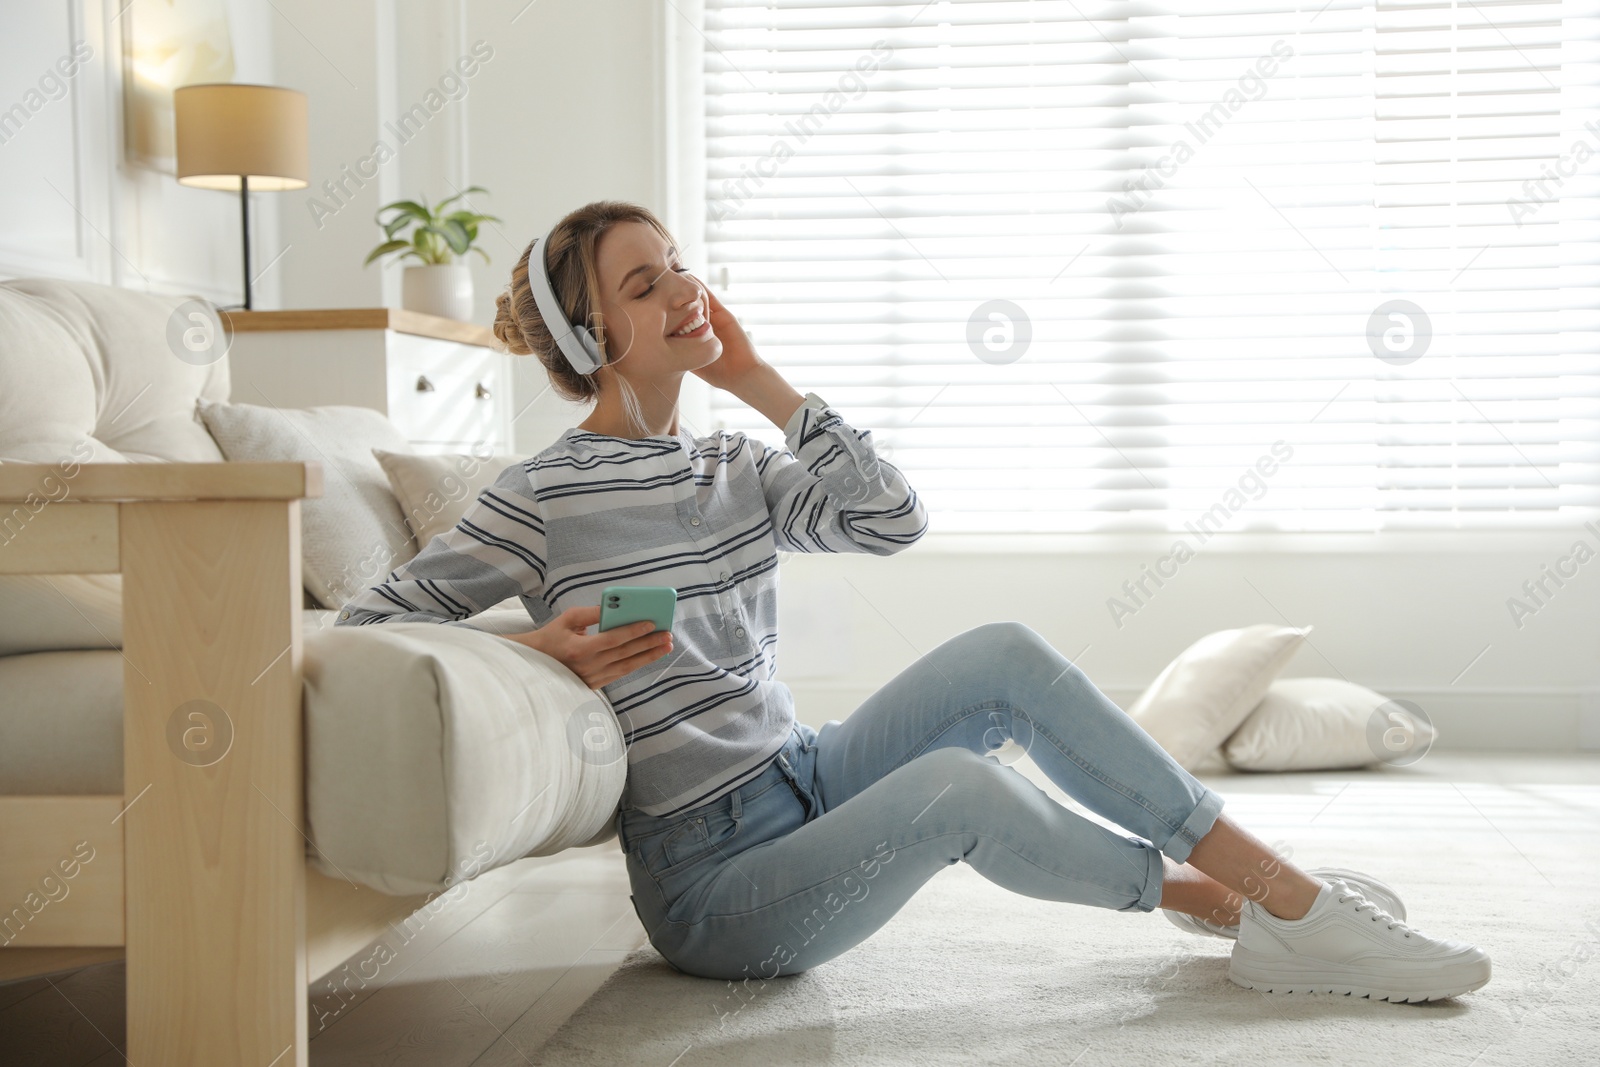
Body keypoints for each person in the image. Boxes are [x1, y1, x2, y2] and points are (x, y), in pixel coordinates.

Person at [335, 200, 1491, 1002]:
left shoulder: (733, 465)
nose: (683, 285)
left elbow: (893, 518)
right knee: (957, 787)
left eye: (679, 259)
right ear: (592, 336)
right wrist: (535, 643)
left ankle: (1273, 887)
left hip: (799, 772)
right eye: (646, 282)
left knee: (1003, 651)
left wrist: (760, 384)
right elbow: (369, 625)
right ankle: (1253, 906)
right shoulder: (540, 495)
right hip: (710, 881)